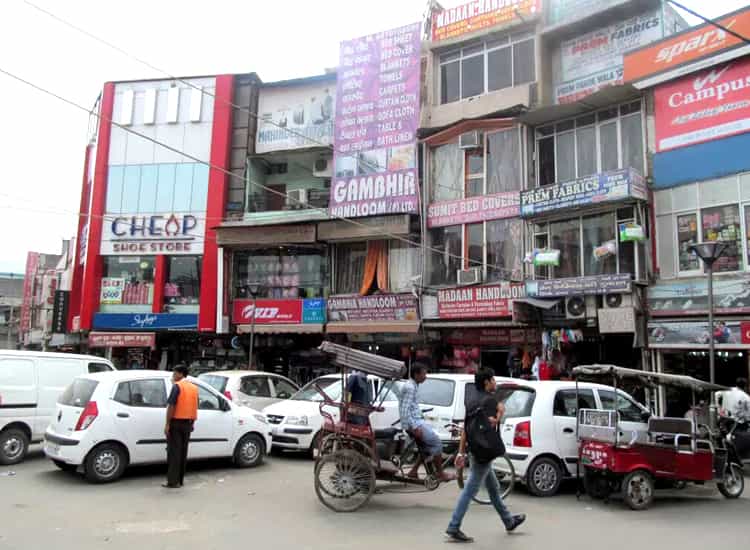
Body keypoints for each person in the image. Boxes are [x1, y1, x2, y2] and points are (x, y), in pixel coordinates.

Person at [446, 368, 526, 543]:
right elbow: (490, 425)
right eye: (493, 380)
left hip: (475, 449)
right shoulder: (489, 401)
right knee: (470, 490)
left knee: (493, 488)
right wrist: (500, 414)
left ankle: (509, 521)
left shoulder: (472, 400)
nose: (495, 384)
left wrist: (461, 451)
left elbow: (467, 428)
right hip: (484, 452)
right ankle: (454, 525)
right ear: (486, 382)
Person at [398, 363, 453, 482]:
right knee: (437, 443)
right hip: (414, 424)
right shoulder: (410, 388)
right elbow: (404, 410)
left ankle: (413, 471)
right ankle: (440, 473)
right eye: (424, 374)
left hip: (417, 421)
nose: (425, 376)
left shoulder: (413, 386)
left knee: (424, 447)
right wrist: (413, 427)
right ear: (416, 374)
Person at [163, 364, 198, 489]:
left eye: (175, 373)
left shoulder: (177, 387)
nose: (173, 375)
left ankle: (173, 481)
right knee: (183, 451)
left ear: (181, 374)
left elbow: (171, 406)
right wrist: (192, 422)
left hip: (176, 422)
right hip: (188, 423)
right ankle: (180, 479)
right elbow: (194, 406)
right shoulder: (194, 388)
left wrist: (167, 423)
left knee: (174, 452)